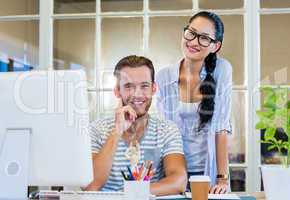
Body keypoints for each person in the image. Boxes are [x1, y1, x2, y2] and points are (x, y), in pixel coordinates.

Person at [85, 55, 187, 196]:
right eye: (128, 86)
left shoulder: (167, 130)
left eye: (144, 86)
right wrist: (117, 131)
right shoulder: (96, 130)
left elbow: (179, 181)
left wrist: (131, 194)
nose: (137, 94)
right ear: (117, 91)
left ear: (153, 88)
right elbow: (91, 185)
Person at [156, 11, 232, 194]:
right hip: (172, 173)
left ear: (216, 46)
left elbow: (221, 128)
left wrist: (222, 179)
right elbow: (163, 130)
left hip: (208, 174)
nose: (194, 42)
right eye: (191, 33)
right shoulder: (164, 76)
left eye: (204, 38)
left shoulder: (222, 70)